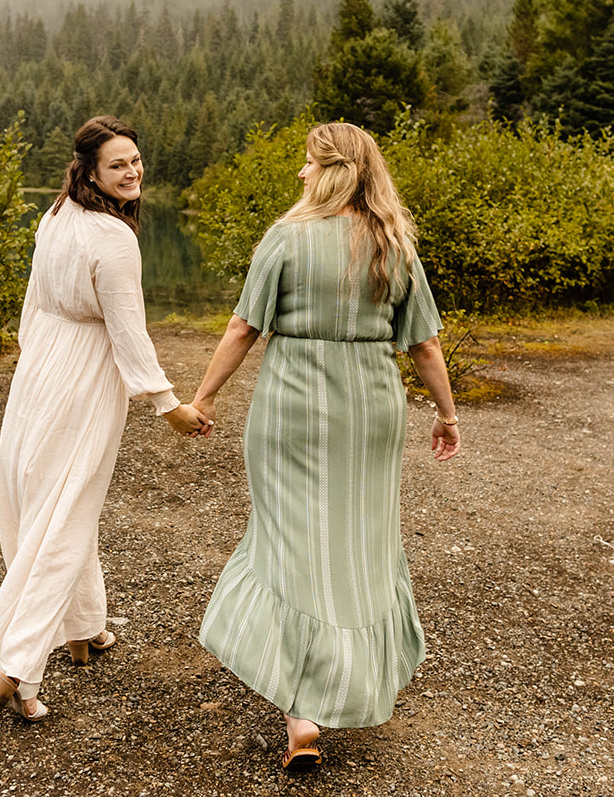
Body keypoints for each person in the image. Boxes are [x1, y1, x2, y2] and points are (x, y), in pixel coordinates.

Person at [191, 121, 460, 769]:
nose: (301, 173)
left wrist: (204, 397)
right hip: (371, 407)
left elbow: (242, 327)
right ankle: (341, 682)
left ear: (333, 170)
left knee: (290, 539)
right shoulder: (393, 243)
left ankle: (301, 710)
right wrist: (447, 413)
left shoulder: (287, 237)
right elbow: (424, 343)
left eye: (309, 163)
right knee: (358, 542)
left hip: (293, 406)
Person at [0, 115, 208, 721]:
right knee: (65, 515)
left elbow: (32, 303)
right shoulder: (112, 236)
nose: (132, 173)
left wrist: (34, 361)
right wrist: (168, 404)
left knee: (54, 501)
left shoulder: (55, 215)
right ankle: (20, 667)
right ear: (89, 170)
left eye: (135, 160)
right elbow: (128, 330)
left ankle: (83, 629)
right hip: (82, 374)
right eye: (117, 165)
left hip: (42, 368)